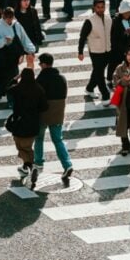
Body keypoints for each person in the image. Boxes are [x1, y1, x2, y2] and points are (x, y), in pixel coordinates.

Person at [34, 53, 74, 184]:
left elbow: (36, 95)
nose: (39, 66)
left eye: (40, 63)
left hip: (43, 114)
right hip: (57, 114)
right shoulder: (61, 78)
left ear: (44, 64)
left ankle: (38, 163)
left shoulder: (41, 79)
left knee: (39, 138)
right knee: (58, 140)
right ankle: (67, 164)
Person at [8, 67, 48, 190]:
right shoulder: (39, 89)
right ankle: (29, 166)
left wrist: (15, 78)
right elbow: (44, 107)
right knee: (27, 146)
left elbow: (7, 89)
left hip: (19, 123)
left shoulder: (17, 89)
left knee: (20, 146)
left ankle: (29, 165)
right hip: (33, 124)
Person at [78, 0, 113, 103]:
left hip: (107, 49)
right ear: (94, 7)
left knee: (97, 71)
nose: (101, 9)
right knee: (99, 73)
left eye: (102, 7)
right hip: (95, 51)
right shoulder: (89, 21)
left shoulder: (108, 18)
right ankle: (105, 95)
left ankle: (89, 88)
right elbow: (82, 37)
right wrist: (80, 51)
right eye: (98, 7)